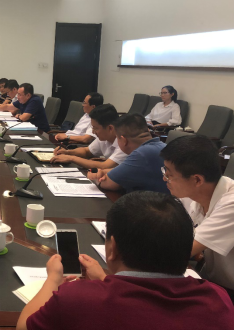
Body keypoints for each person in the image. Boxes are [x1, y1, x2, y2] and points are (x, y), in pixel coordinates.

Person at [17, 191, 234, 330]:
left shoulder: (76, 299)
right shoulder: (218, 299)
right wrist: (104, 279)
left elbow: (25, 326)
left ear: (113, 248)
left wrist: (53, 279)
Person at [161, 135, 234, 301]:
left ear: (197, 180)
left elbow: (180, 251)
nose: (164, 178)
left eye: (169, 174)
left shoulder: (231, 204)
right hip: (210, 277)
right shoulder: (192, 193)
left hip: (228, 291)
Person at [88, 113, 169, 194]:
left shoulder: (141, 154)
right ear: (148, 131)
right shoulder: (163, 146)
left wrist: (94, 177)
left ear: (124, 140)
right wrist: (103, 172)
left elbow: (108, 184)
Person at [50, 104, 127, 169]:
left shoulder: (125, 142)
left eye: (96, 128)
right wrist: (67, 152)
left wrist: (71, 158)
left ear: (110, 128)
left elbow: (104, 166)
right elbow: (87, 151)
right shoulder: (104, 137)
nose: (93, 132)